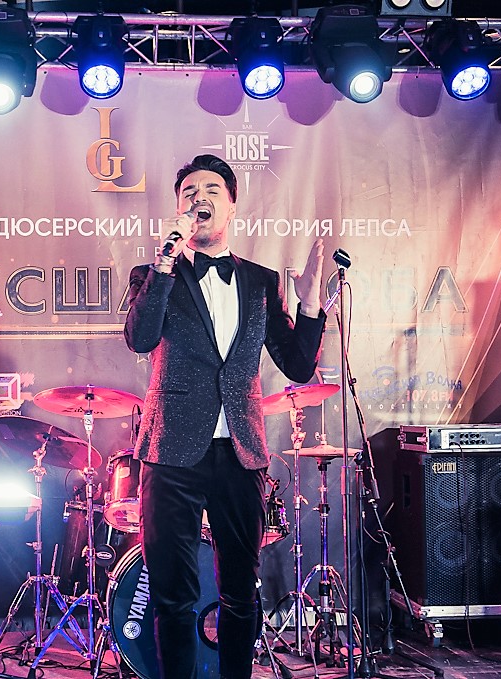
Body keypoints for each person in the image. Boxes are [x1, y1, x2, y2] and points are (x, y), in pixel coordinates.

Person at [124, 154, 326, 679]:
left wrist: (310, 305)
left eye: (212, 190)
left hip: (241, 450)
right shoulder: (153, 274)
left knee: (240, 592)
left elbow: (298, 365)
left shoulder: (260, 281)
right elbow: (140, 339)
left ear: (232, 205)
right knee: (173, 595)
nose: (200, 198)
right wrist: (165, 263)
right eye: (189, 192)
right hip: (171, 450)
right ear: (178, 207)